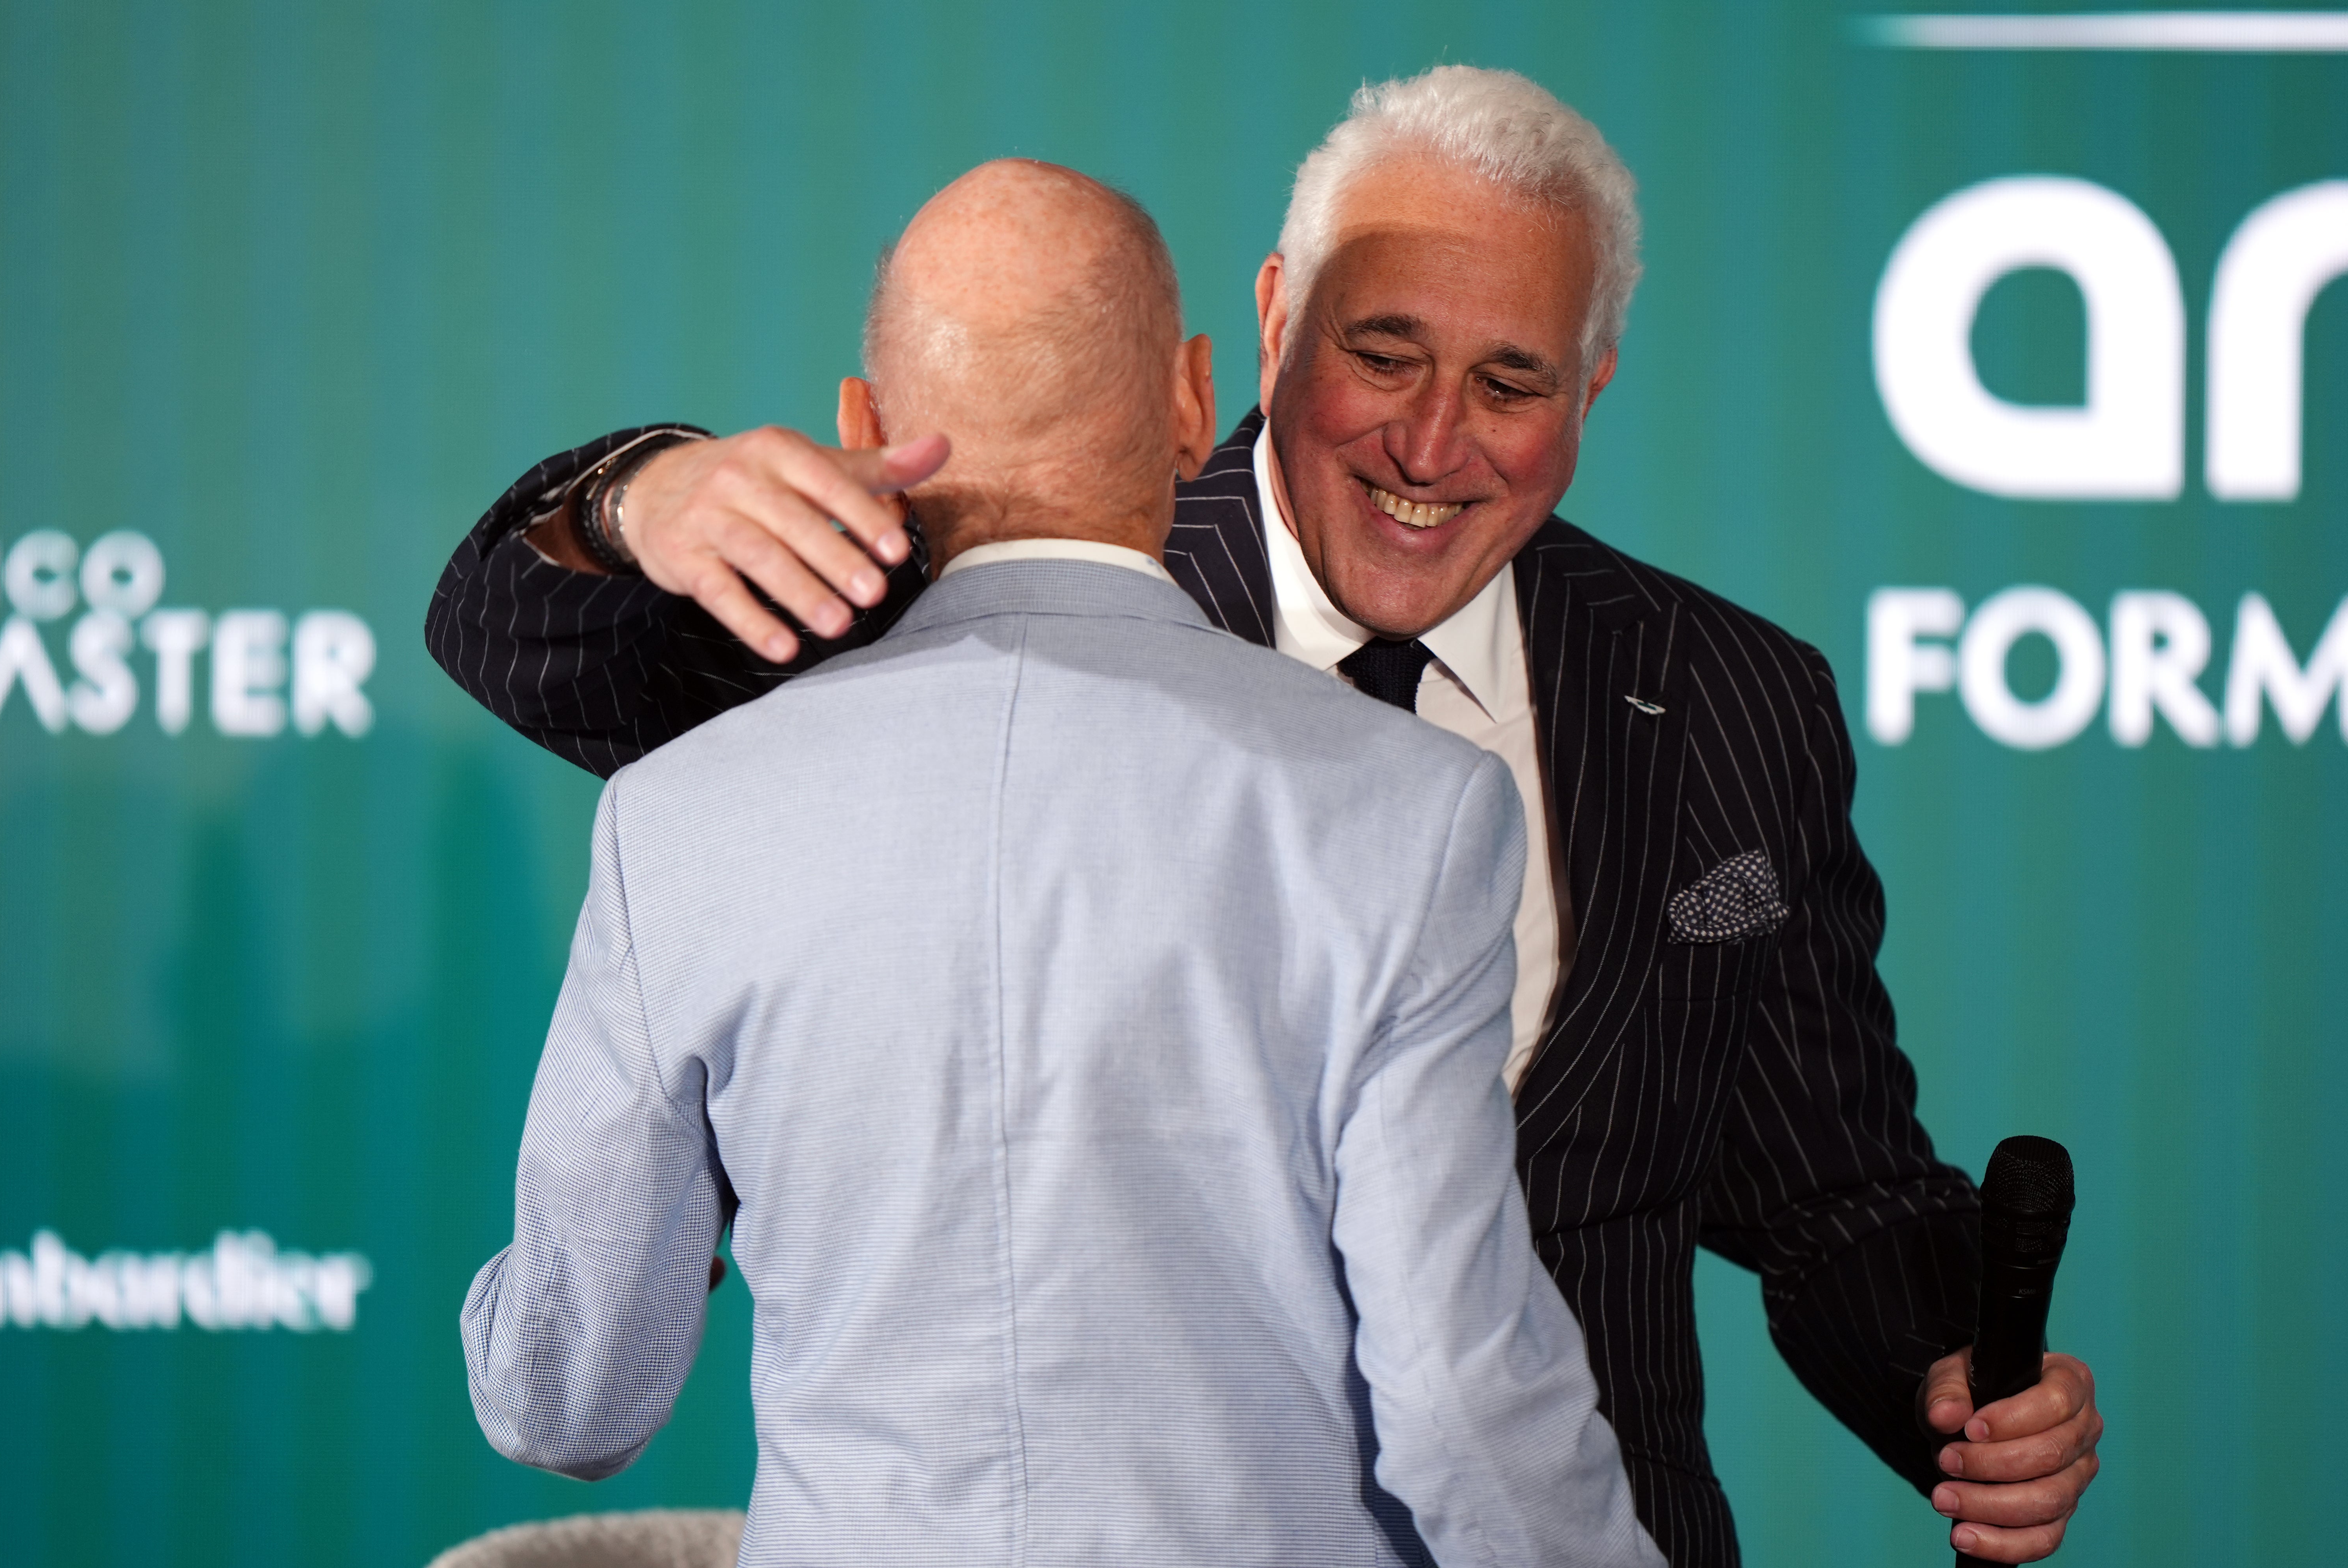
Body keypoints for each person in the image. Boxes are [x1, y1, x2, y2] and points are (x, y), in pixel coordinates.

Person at [431, 68, 2101, 1566]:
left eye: (1509, 380)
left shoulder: (1735, 698)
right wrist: (644, 490)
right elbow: (520, 639)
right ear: (1261, 332)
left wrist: (1948, 1383)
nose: (1431, 442)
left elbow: (1831, 1179)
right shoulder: (940, 561)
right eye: (1384, 355)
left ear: (1595, 388)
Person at [460, 158, 1661, 1568]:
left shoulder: (680, 817)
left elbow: (563, 1397)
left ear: (865, 427)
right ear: (1195, 401)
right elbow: (1464, 1405)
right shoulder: (1413, 807)